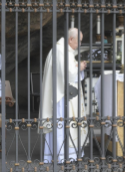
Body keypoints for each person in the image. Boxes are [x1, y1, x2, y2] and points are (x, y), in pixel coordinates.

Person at [39, 28, 88, 163]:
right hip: (62, 97)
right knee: (63, 124)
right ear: (71, 39)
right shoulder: (61, 51)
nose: (79, 45)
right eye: (79, 41)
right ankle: (63, 155)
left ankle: (65, 153)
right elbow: (69, 74)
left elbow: (66, 71)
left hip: (64, 93)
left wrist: (77, 66)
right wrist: (80, 67)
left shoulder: (63, 50)